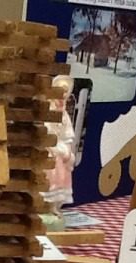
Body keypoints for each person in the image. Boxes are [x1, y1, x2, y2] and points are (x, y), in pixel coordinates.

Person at [41, 75, 76, 226]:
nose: (61, 98)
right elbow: (45, 132)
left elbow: (67, 135)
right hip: (49, 151)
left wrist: (66, 149)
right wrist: (56, 148)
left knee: (62, 177)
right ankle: (42, 206)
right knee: (49, 177)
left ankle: (54, 207)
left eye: (65, 94)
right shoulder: (47, 112)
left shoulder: (64, 116)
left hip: (60, 152)